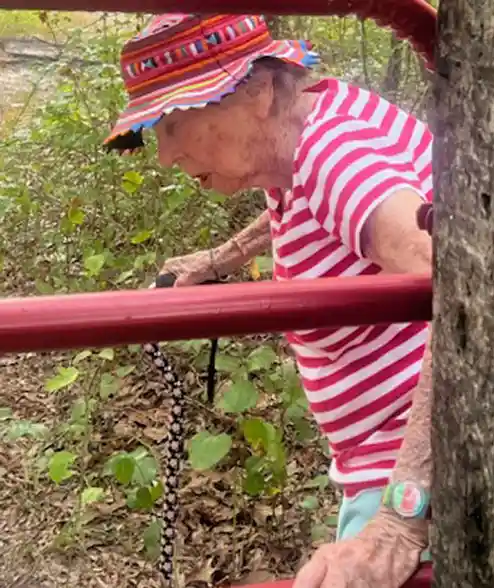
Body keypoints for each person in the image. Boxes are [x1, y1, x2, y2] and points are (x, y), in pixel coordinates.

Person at [106, 14, 434, 588]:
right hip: (392, 462)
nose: (163, 155)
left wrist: (400, 520)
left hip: (413, 474)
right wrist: (220, 258)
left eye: (175, 123)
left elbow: (464, 292)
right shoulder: (313, 130)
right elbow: (310, 197)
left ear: (256, 92)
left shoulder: (335, 157)